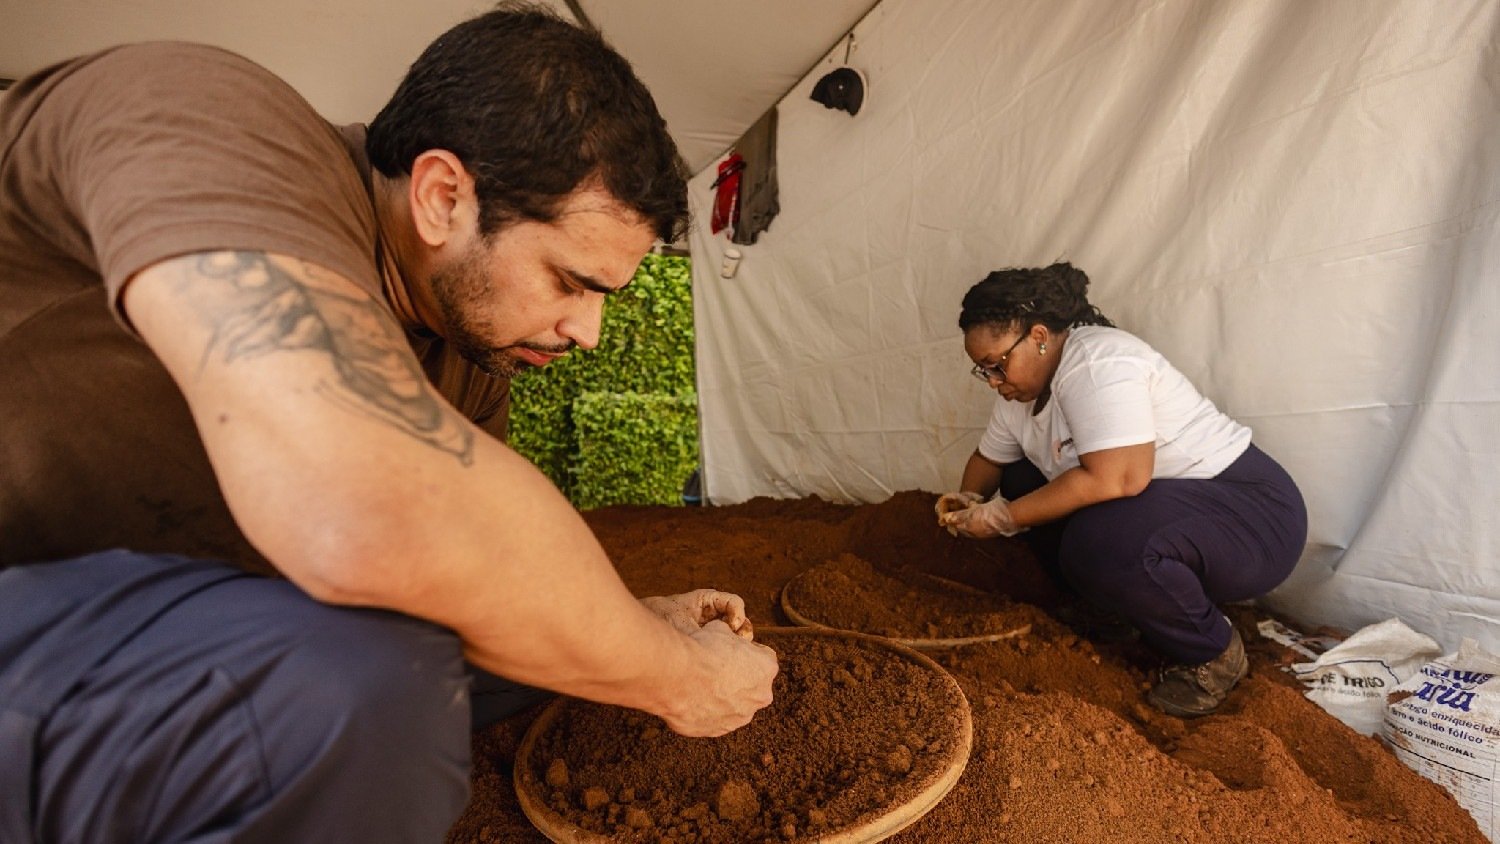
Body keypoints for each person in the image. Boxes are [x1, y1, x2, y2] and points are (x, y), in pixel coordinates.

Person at [0, 5, 778, 841]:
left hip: (190, 612)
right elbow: (365, 517)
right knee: (367, 683)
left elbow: (485, 573)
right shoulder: (209, 120)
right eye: (570, 280)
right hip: (33, 596)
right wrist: (679, 677)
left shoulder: (469, 360)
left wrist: (636, 625)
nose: (587, 331)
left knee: (544, 655)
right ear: (443, 195)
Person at [936, 263, 1306, 717]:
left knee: (1103, 537)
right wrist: (968, 501)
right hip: (1181, 514)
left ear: (1037, 336)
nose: (994, 381)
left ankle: (1212, 653)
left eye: (997, 365)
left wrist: (1003, 517)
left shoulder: (1096, 364)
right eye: (983, 371)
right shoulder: (1021, 396)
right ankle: (1111, 607)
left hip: (1254, 519)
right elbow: (989, 461)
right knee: (1021, 479)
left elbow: (1121, 478)